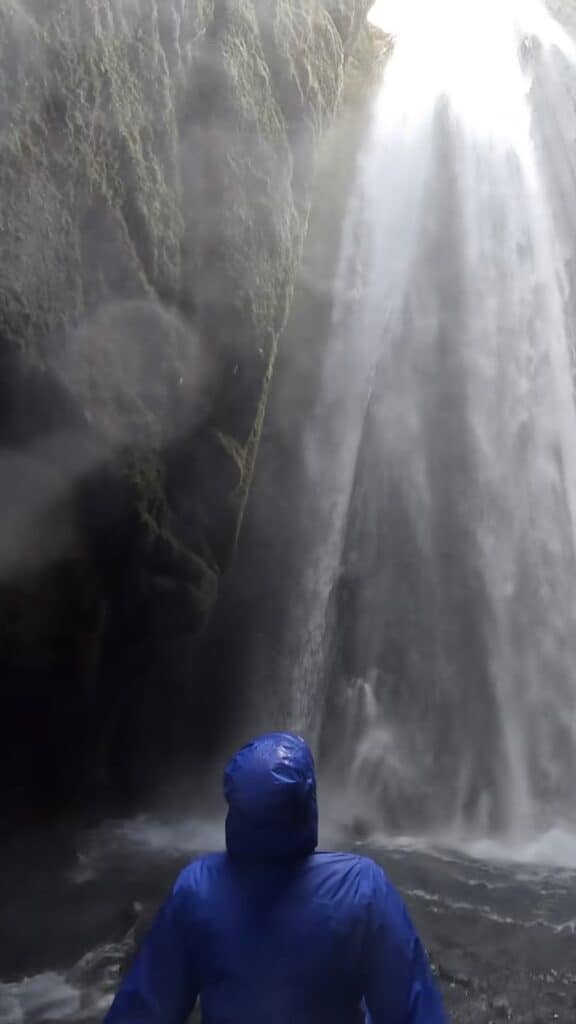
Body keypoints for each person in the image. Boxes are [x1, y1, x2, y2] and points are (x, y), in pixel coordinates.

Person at [104, 731, 447, 1023]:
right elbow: (413, 1007)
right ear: (307, 804)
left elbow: (143, 1008)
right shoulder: (362, 886)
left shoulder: (197, 888)